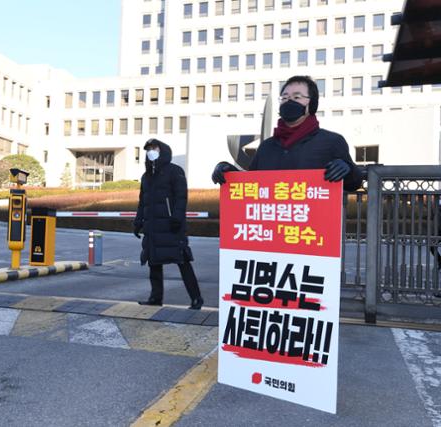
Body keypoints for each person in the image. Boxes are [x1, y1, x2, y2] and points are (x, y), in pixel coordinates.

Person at [212, 75, 362, 192]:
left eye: (297, 97)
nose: (289, 101)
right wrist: (229, 172)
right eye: (284, 97)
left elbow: (354, 184)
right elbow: (253, 184)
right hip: (273, 224)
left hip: (313, 228)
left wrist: (348, 168)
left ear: (312, 104)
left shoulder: (331, 141)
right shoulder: (267, 147)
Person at [134, 138, 204, 309]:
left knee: (182, 260)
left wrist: (177, 217)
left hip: (171, 225)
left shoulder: (175, 171)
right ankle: (155, 297)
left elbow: (181, 197)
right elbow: (142, 201)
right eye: (149, 149)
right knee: (154, 262)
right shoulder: (146, 176)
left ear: (162, 150)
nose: (151, 151)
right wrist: (138, 221)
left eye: (154, 148)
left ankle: (196, 298)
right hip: (152, 227)